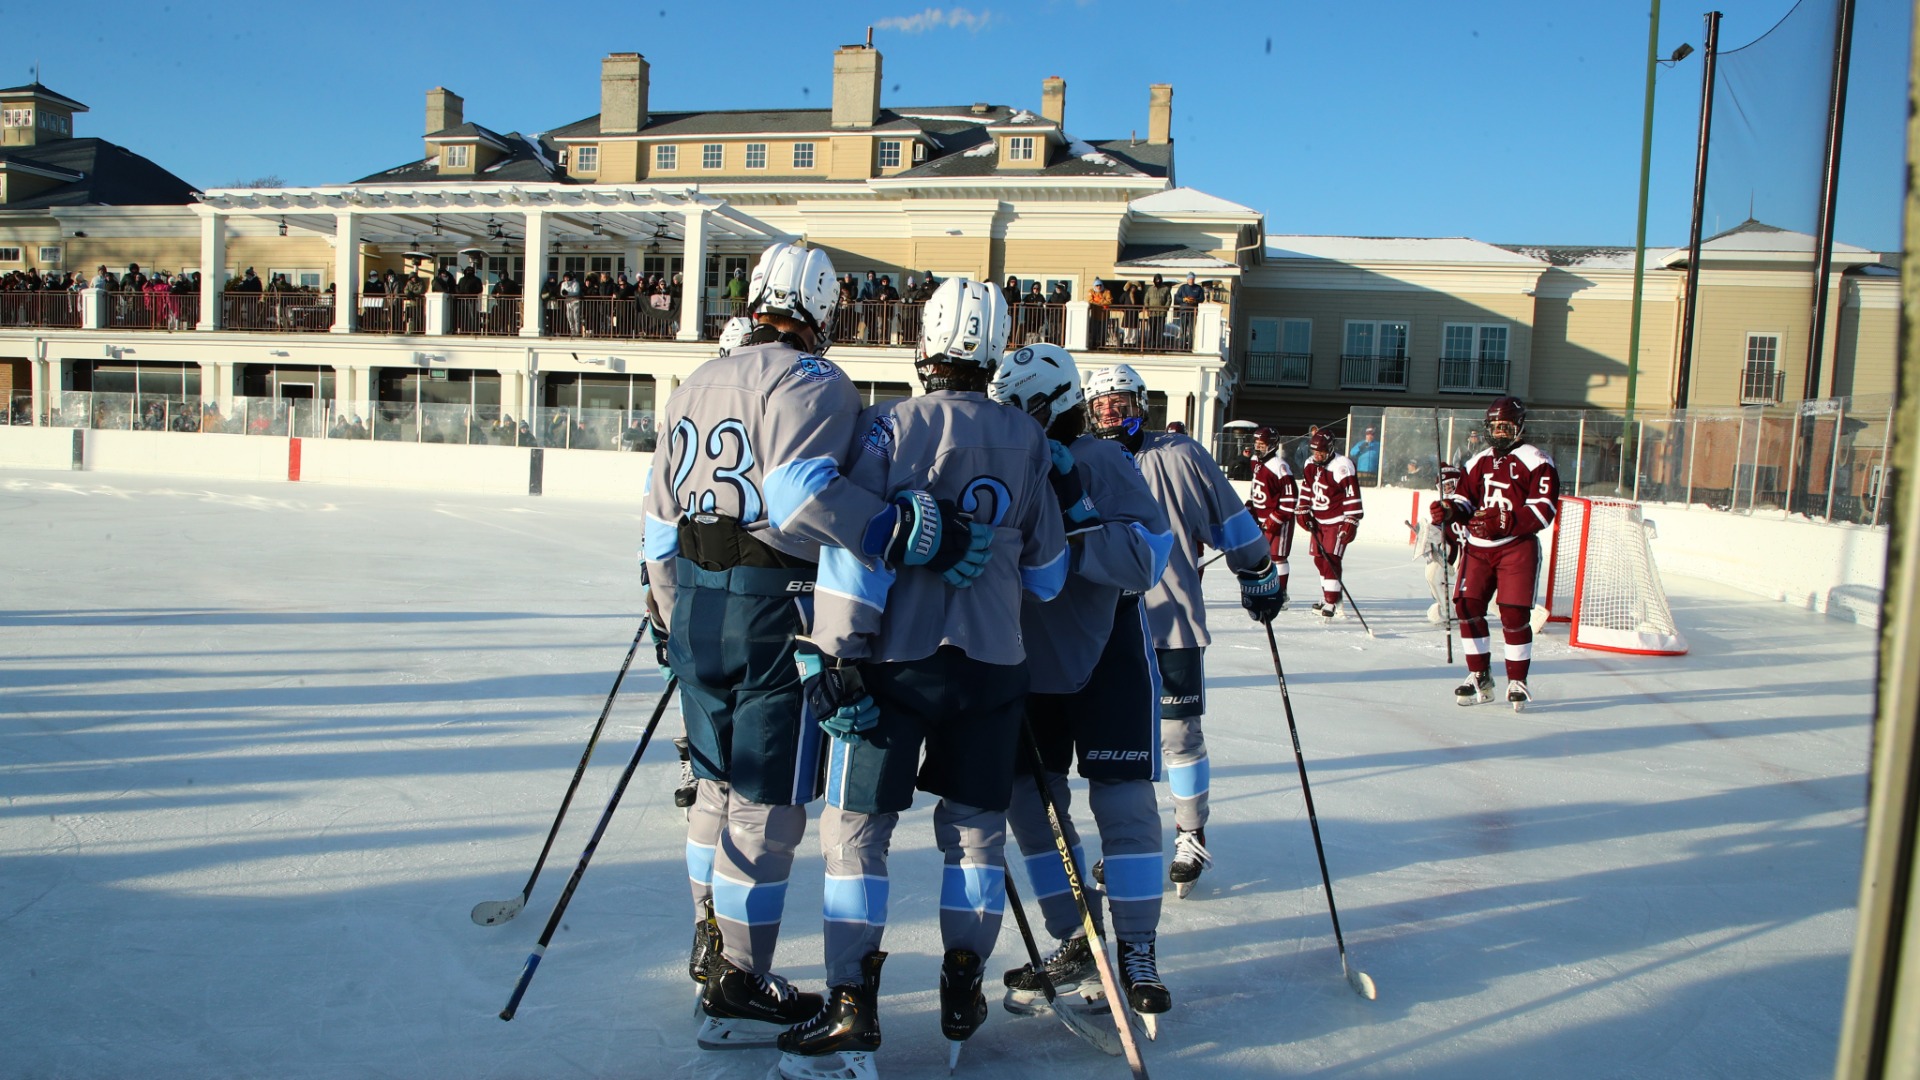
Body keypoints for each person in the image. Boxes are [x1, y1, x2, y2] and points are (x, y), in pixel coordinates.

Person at [643, 242, 994, 1055]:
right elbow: (802, 497)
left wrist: (669, 618)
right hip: (771, 606)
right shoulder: (813, 380)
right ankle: (738, 983)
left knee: (716, 791)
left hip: (695, 600)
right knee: (767, 806)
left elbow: (658, 525)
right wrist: (905, 531)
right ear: (821, 311)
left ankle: (712, 949)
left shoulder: (696, 378)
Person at [775, 279, 1066, 1080]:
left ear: (926, 345)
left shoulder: (889, 424)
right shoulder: (1031, 440)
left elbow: (851, 548)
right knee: (975, 834)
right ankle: (963, 981)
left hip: (894, 667)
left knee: (857, 834)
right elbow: (1046, 575)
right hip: (993, 668)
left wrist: (834, 650)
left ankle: (850, 1004)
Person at [987, 343, 1180, 1037]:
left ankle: (1135, 946)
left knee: (1123, 802)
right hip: (1023, 662)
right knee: (1029, 806)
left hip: (1108, 658)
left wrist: (1075, 513)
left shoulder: (1102, 462)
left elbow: (1145, 560)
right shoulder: (1004, 461)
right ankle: (1077, 935)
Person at [1084, 363, 1282, 897]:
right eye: (1101, 404)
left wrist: (1258, 569)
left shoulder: (1180, 454)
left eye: (1120, 401)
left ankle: (1190, 835)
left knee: (1178, 735)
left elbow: (1230, 518)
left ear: (1140, 402)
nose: (1110, 412)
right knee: (1113, 745)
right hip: (1102, 628)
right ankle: (1125, 839)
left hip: (1170, 623)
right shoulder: (1079, 460)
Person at [1430, 397, 1560, 709]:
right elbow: (1464, 500)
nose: (1500, 432)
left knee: (1514, 613)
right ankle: (1479, 674)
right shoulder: (1477, 461)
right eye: (1495, 426)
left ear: (1520, 426)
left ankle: (1517, 679)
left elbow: (1544, 511)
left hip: (1516, 547)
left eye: (1507, 426)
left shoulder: (1538, 460)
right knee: (1467, 606)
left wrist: (1507, 520)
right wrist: (1449, 509)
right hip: (1478, 547)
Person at [1296, 430, 1364, 621]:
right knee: (1319, 560)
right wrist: (1303, 509)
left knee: (1331, 560)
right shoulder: (1310, 464)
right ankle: (1330, 595)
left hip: (1337, 520)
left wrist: (1351, 520)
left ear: (1331, 449)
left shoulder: (1342, 466)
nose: (1317, 456)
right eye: (1315, 452)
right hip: (1318, 521)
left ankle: (1331, 602)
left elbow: (1352, 493)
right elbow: (1307, 488)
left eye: (1321, 453)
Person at [1247, 425, 1296, 606]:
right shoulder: (1255, 461)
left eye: (1262, 443)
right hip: (1262, 518)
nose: (1258, 447)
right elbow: (1257, 488)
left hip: (1279, 520)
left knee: (1278, 556)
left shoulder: (1280, 466)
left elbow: (1291, 498)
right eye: (1257, 443)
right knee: (1262, 557)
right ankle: (1267, 590)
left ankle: (1281, 594)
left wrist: (1276, 518)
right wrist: (1251, 505)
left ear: (1273, 445)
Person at [1417, 464, 1467, 624]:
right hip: (1452, 554)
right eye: (1443, 485)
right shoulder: (1442, 506)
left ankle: (1521, 613)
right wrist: (1426, 539)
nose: (1447, 488)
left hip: (1472, 552)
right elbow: (1436, 530)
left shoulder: (1468, 501)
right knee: (1432, 574)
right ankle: (1448, 609)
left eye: (1450, 484)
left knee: (1481, 589)